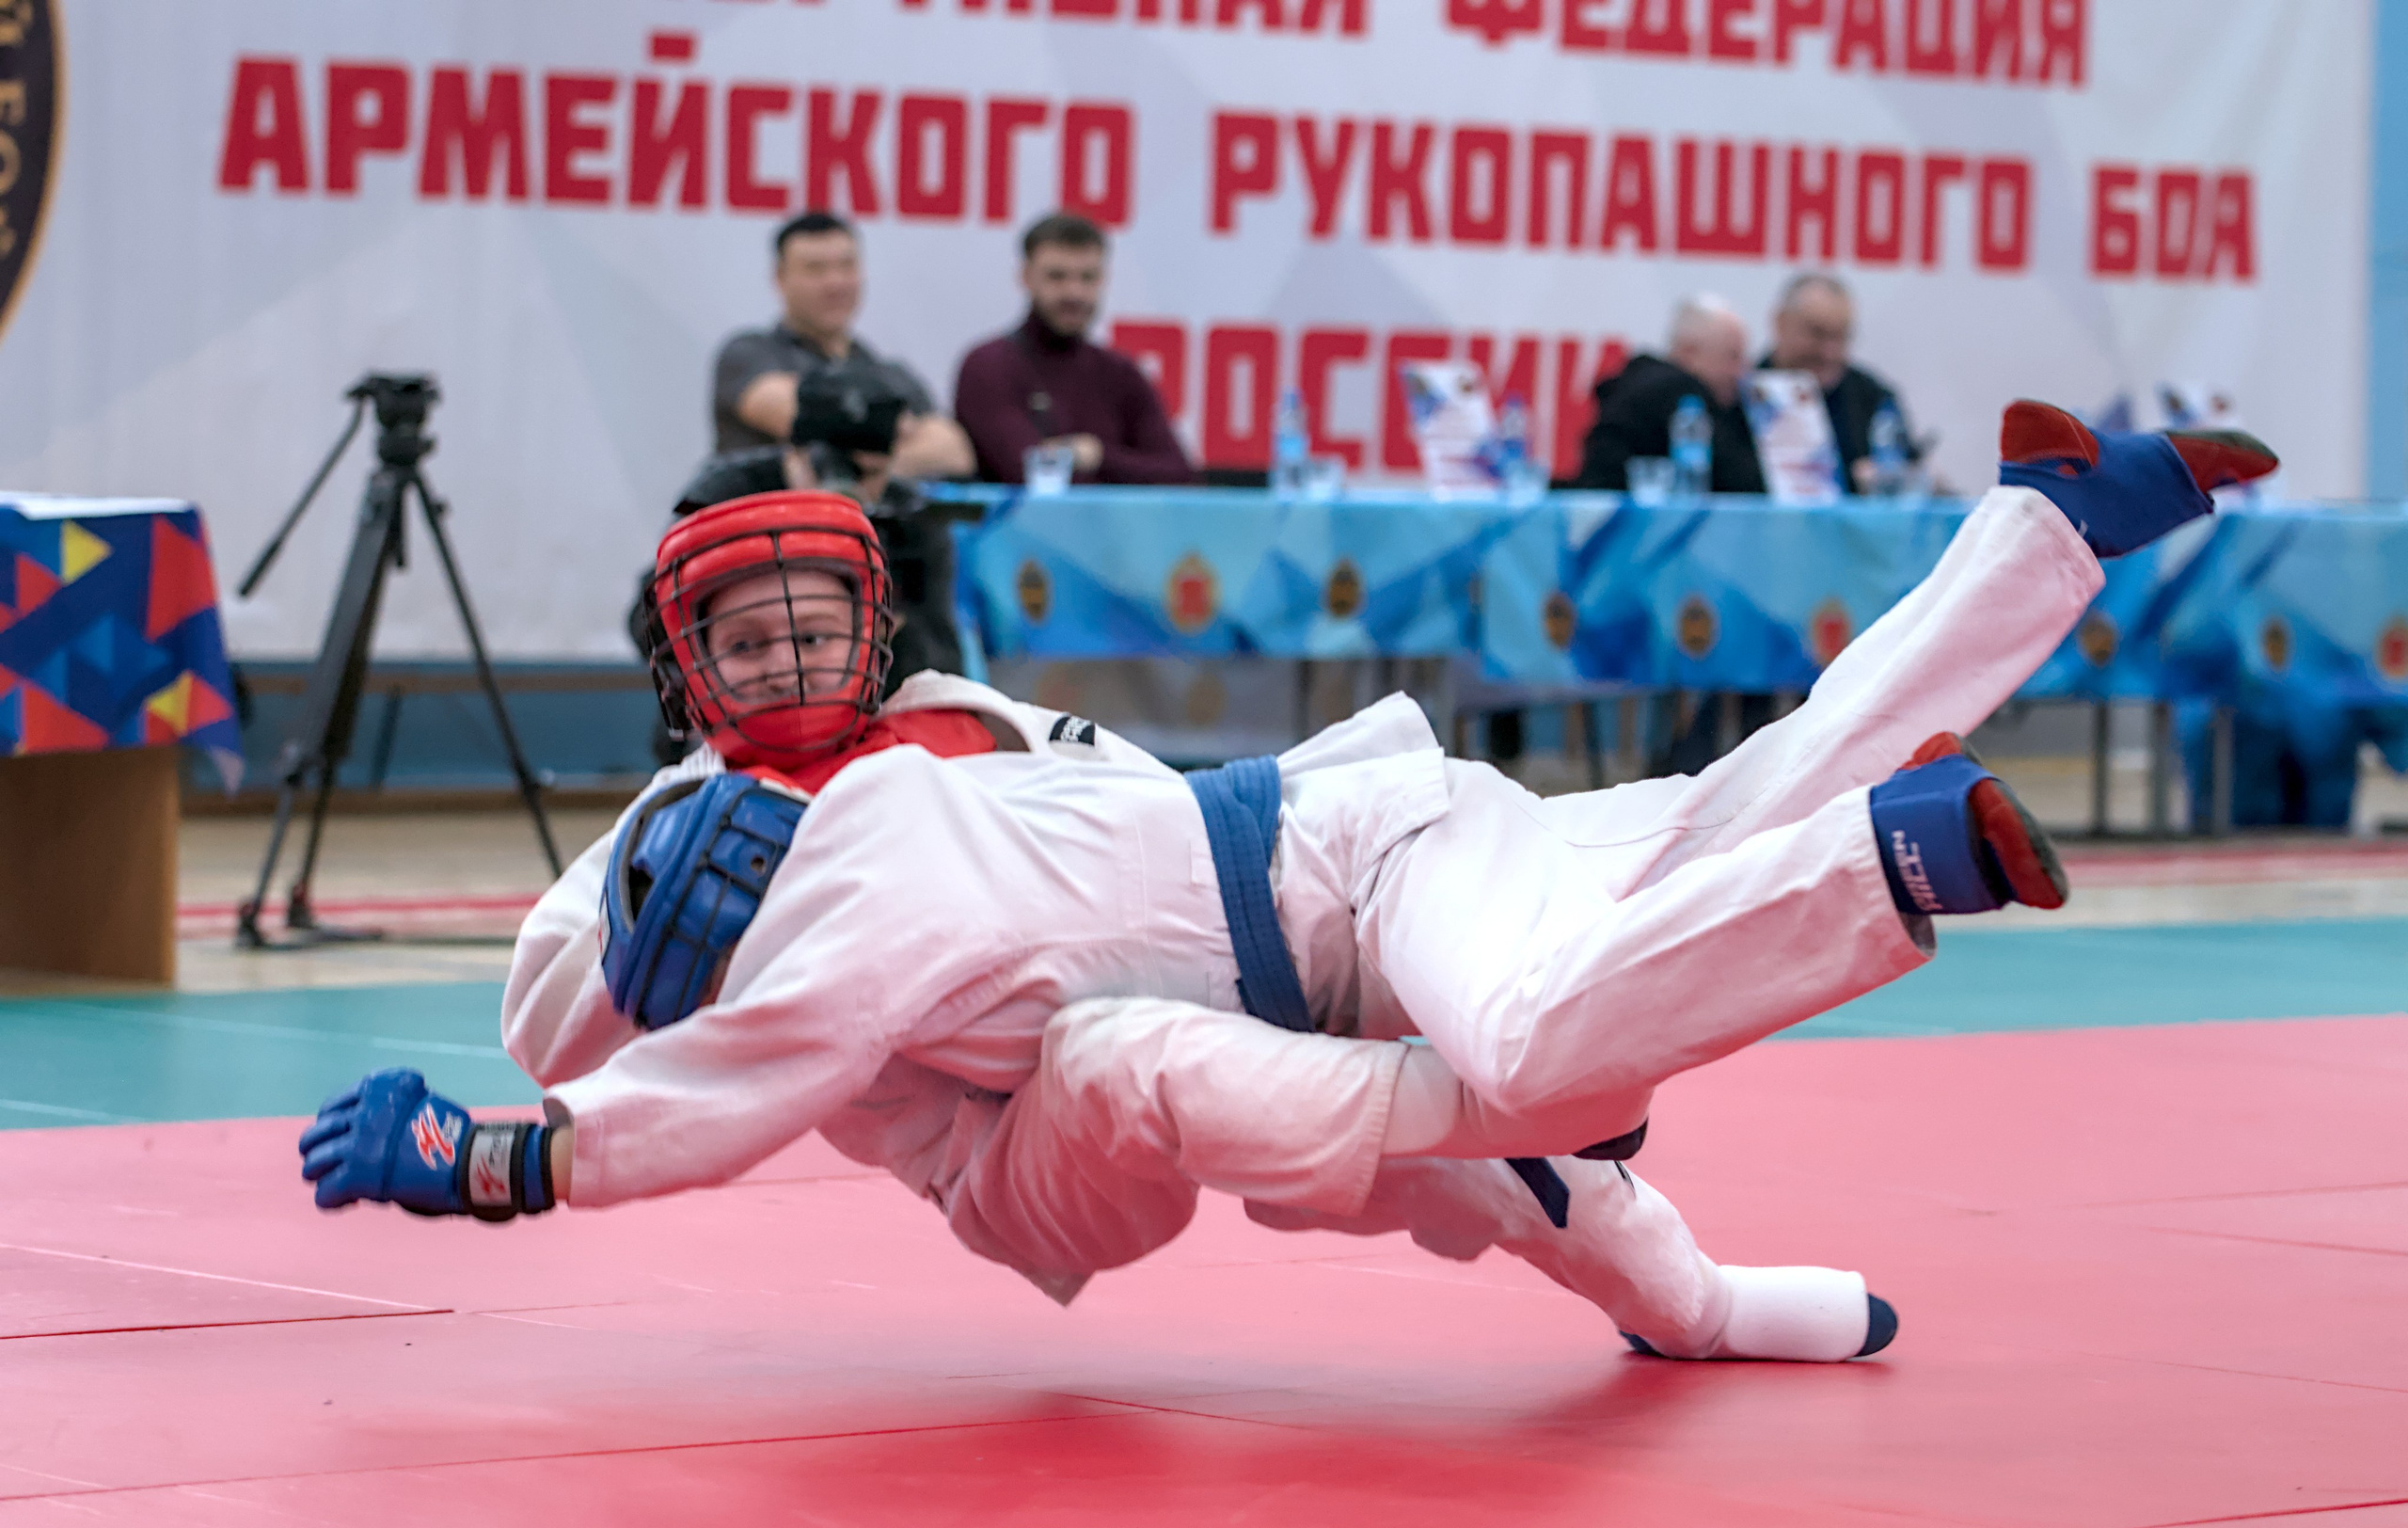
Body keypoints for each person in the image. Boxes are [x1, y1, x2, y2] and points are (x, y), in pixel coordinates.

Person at [298, 405, 2276, 1362]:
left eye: (822, 618)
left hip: (1344, 861)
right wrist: (519, 1116)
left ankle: (2016, 587)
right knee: (1508, 1055)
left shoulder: (936, 741)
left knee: (1619, 954)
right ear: (689, 673)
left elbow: (767, 1058)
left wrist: (510, 1162)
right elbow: (595, 1014)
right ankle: (1947, 712)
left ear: (874, 620)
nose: (797, 657)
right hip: (1143, 1069)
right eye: (753, 639)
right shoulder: (690, 835)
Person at [710, 212, 975, 483]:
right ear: (780, 278)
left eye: (847, 266)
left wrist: (859, 464)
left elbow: (954, 452)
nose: (835, 283)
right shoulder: (749, 353)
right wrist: (895, 429)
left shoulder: (888, 371)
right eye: (815, 269)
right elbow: (798, 415)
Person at [952, 213, 1195, 485]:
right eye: (1057, 277)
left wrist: (1098, 457)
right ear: (1026, 277)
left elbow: (1181, 476)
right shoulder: (989, 367)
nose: (1074, 293)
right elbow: (1026, 473)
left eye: (1087, 278)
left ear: (1103, 279)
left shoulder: (1120, 373)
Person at [1575, 294, 1766, 493]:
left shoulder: (1637, 385)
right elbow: (1743, 480)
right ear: (1689, 352)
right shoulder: (1681, 393)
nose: (1741, 373)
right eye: (1732, 357)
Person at [1762, 273, 1922, 495]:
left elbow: (1909, 472)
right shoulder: (1737, 395)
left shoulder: (1872, 399)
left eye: (1840, 337)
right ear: (1780, 324)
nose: (1828, 352)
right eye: (1816, 333)